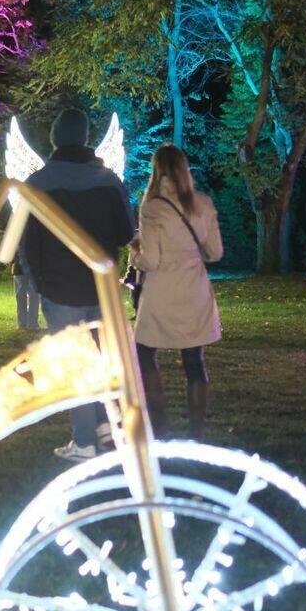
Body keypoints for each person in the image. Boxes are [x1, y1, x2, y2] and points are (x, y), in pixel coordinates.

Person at [20, 109, 136, 461]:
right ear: (85, 138)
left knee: (74, 363)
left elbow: (26, 240)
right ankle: (104, 428)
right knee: (101, 358)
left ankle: (84, 441)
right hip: (101, 287)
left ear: (55, 138)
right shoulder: (108, 181)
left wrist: (38, 280)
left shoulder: (37, 182)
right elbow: (126, 232)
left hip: (59, 289)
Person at [129, 144, 224, 440]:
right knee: (194, 360)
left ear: (156, 170)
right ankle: (196, 431)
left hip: (161, 291)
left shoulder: (152, 208)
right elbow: (215, 252)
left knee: (144, 354)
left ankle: (160, 426)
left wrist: (134, 254)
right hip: (194, 289)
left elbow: (150, 261)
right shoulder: (203, 203)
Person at [10, 249, 41, 331]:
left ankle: (23, 323)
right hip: (32, 268)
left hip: (20, 268)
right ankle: (32, 324)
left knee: (22, 296)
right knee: (33, 297)